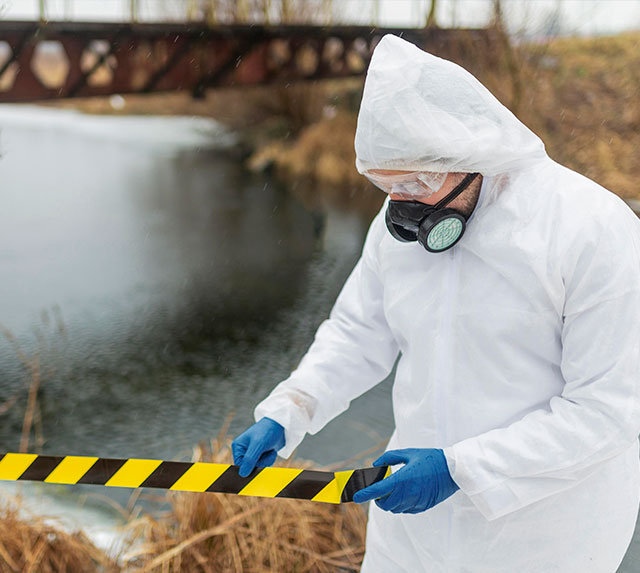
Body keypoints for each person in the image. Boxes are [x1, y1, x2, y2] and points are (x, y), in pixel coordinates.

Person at [232, 34, 640, 572]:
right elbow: (358, 333)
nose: (403, 206)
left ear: (472, 153)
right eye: (390, 185)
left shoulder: (591, 230)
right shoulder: (395, 223)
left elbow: (607, 411)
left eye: (420, 182)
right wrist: (292, 409)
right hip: (413, 529)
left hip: (545, 533)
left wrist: (461, 469)